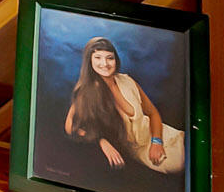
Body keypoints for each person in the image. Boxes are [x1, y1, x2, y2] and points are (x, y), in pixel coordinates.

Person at [63, 36, 183, 175]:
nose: (105, 63)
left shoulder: (127, 80)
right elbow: (70, 126)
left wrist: (157, 141)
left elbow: (153, 113)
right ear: (89, 61)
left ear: (116, 60)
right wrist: (100, 140)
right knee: (180, 164)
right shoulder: (87, 92)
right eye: (98, 58)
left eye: (109, 58)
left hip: (159, 133)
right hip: (140, 149)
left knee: (192, 145)